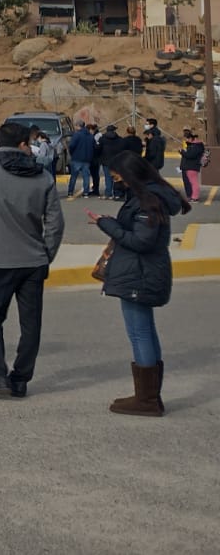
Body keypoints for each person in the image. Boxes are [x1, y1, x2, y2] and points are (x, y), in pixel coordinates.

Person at [0, 120, 65, 399]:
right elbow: (55, 223)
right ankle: (20, 379)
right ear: (23, 144)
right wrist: (46, 254)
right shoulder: (43, 177)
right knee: (31, 322)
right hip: (33, 262)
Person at [89, 150, 190, 416]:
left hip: (140, 273)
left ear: (130, 176)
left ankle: (147, 400)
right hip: (142, 271)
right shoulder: (149, 196)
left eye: (117, 177)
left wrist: (106, 223)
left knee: (140, 332)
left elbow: (141, 241)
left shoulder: (148, 201)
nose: (116, 182)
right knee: (144, 330)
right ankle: (148, 396)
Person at [66, 121, 97, 199]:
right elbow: (94, 147)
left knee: (74, 176)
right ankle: (86, 193)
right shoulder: (90, 136)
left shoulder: (77, 135)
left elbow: (72, 146)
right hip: (87, 159)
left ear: (78, 126)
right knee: (86, 176)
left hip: (77, 158)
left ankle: (70, 192)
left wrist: (72, 153)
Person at [177, 129, 205, 202]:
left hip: (191, 166)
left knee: (193, 182)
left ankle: (195, 197)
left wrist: (182, 152)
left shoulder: (196, 146)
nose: (187, 140)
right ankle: (191, 196)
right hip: (188, 166)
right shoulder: (194, 145)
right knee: (189, 182)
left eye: (188, 138)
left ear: (192, 138)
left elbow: (190, 155)